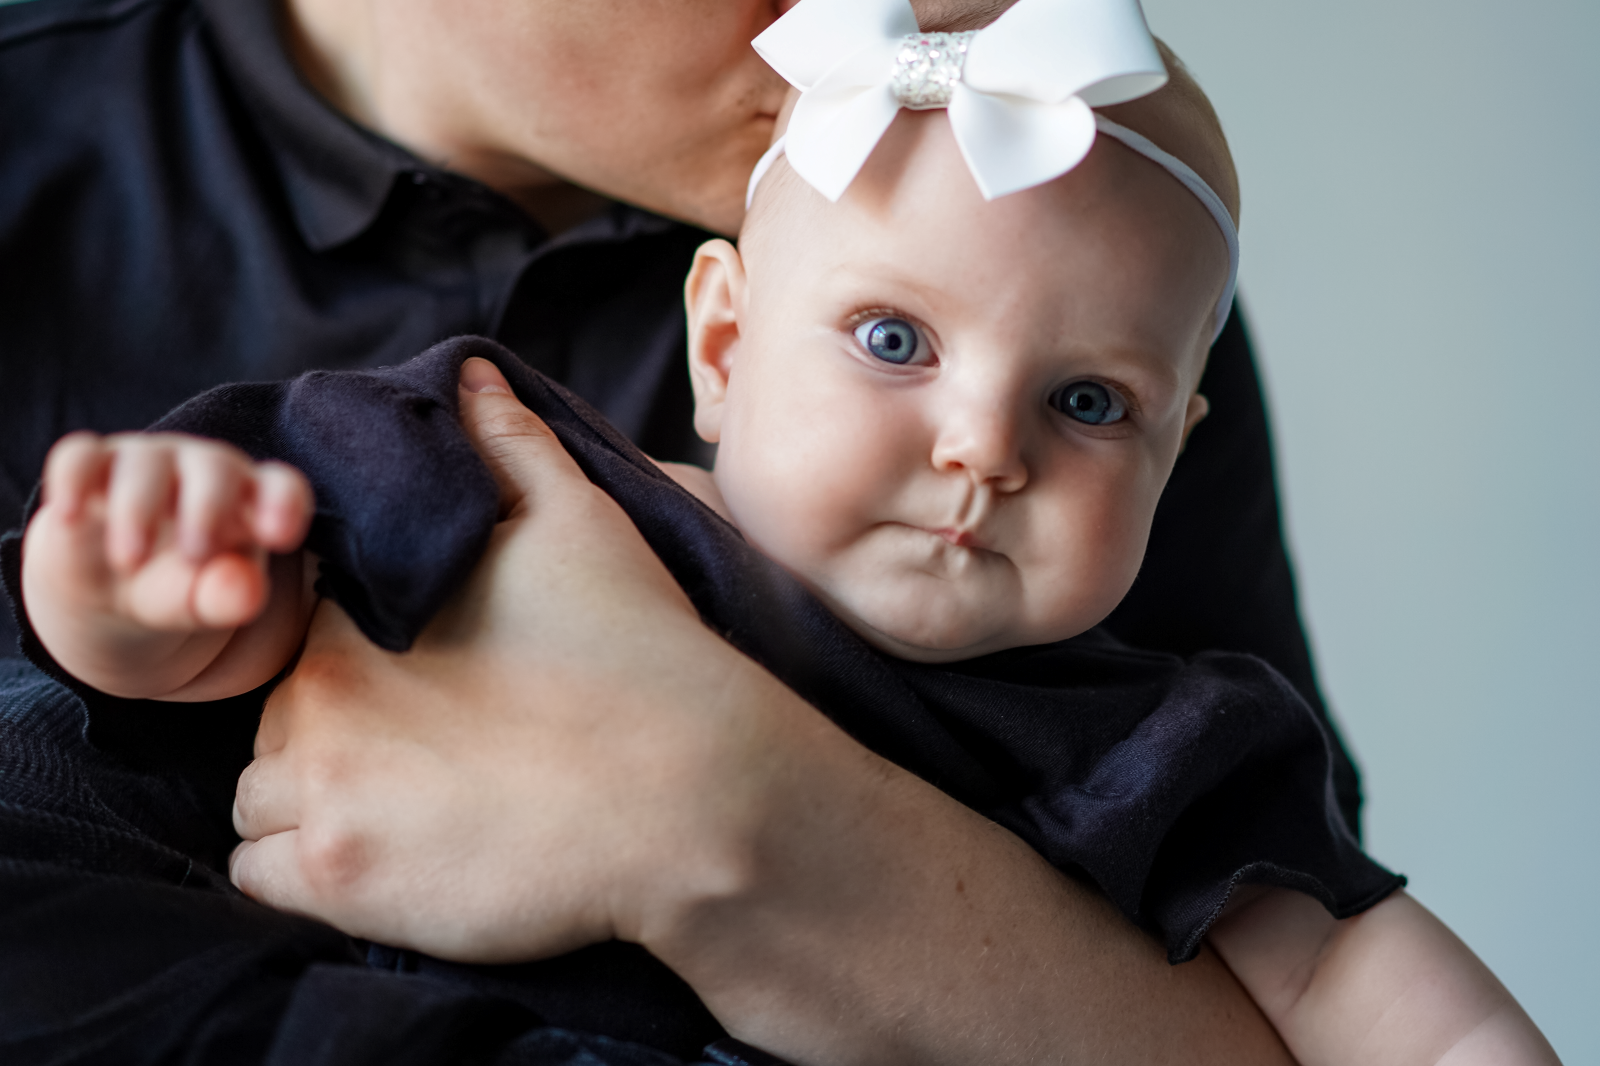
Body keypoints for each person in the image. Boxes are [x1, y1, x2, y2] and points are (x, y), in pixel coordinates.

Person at [9, 2, 1560, 1059]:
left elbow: (1303, 989)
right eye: (890, 341)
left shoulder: (1065, 248)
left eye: (1090, 407)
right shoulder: (424, 413)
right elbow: (189, 640)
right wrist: (148, 594)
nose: (951, 19)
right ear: (726, 342)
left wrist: (735, 828)